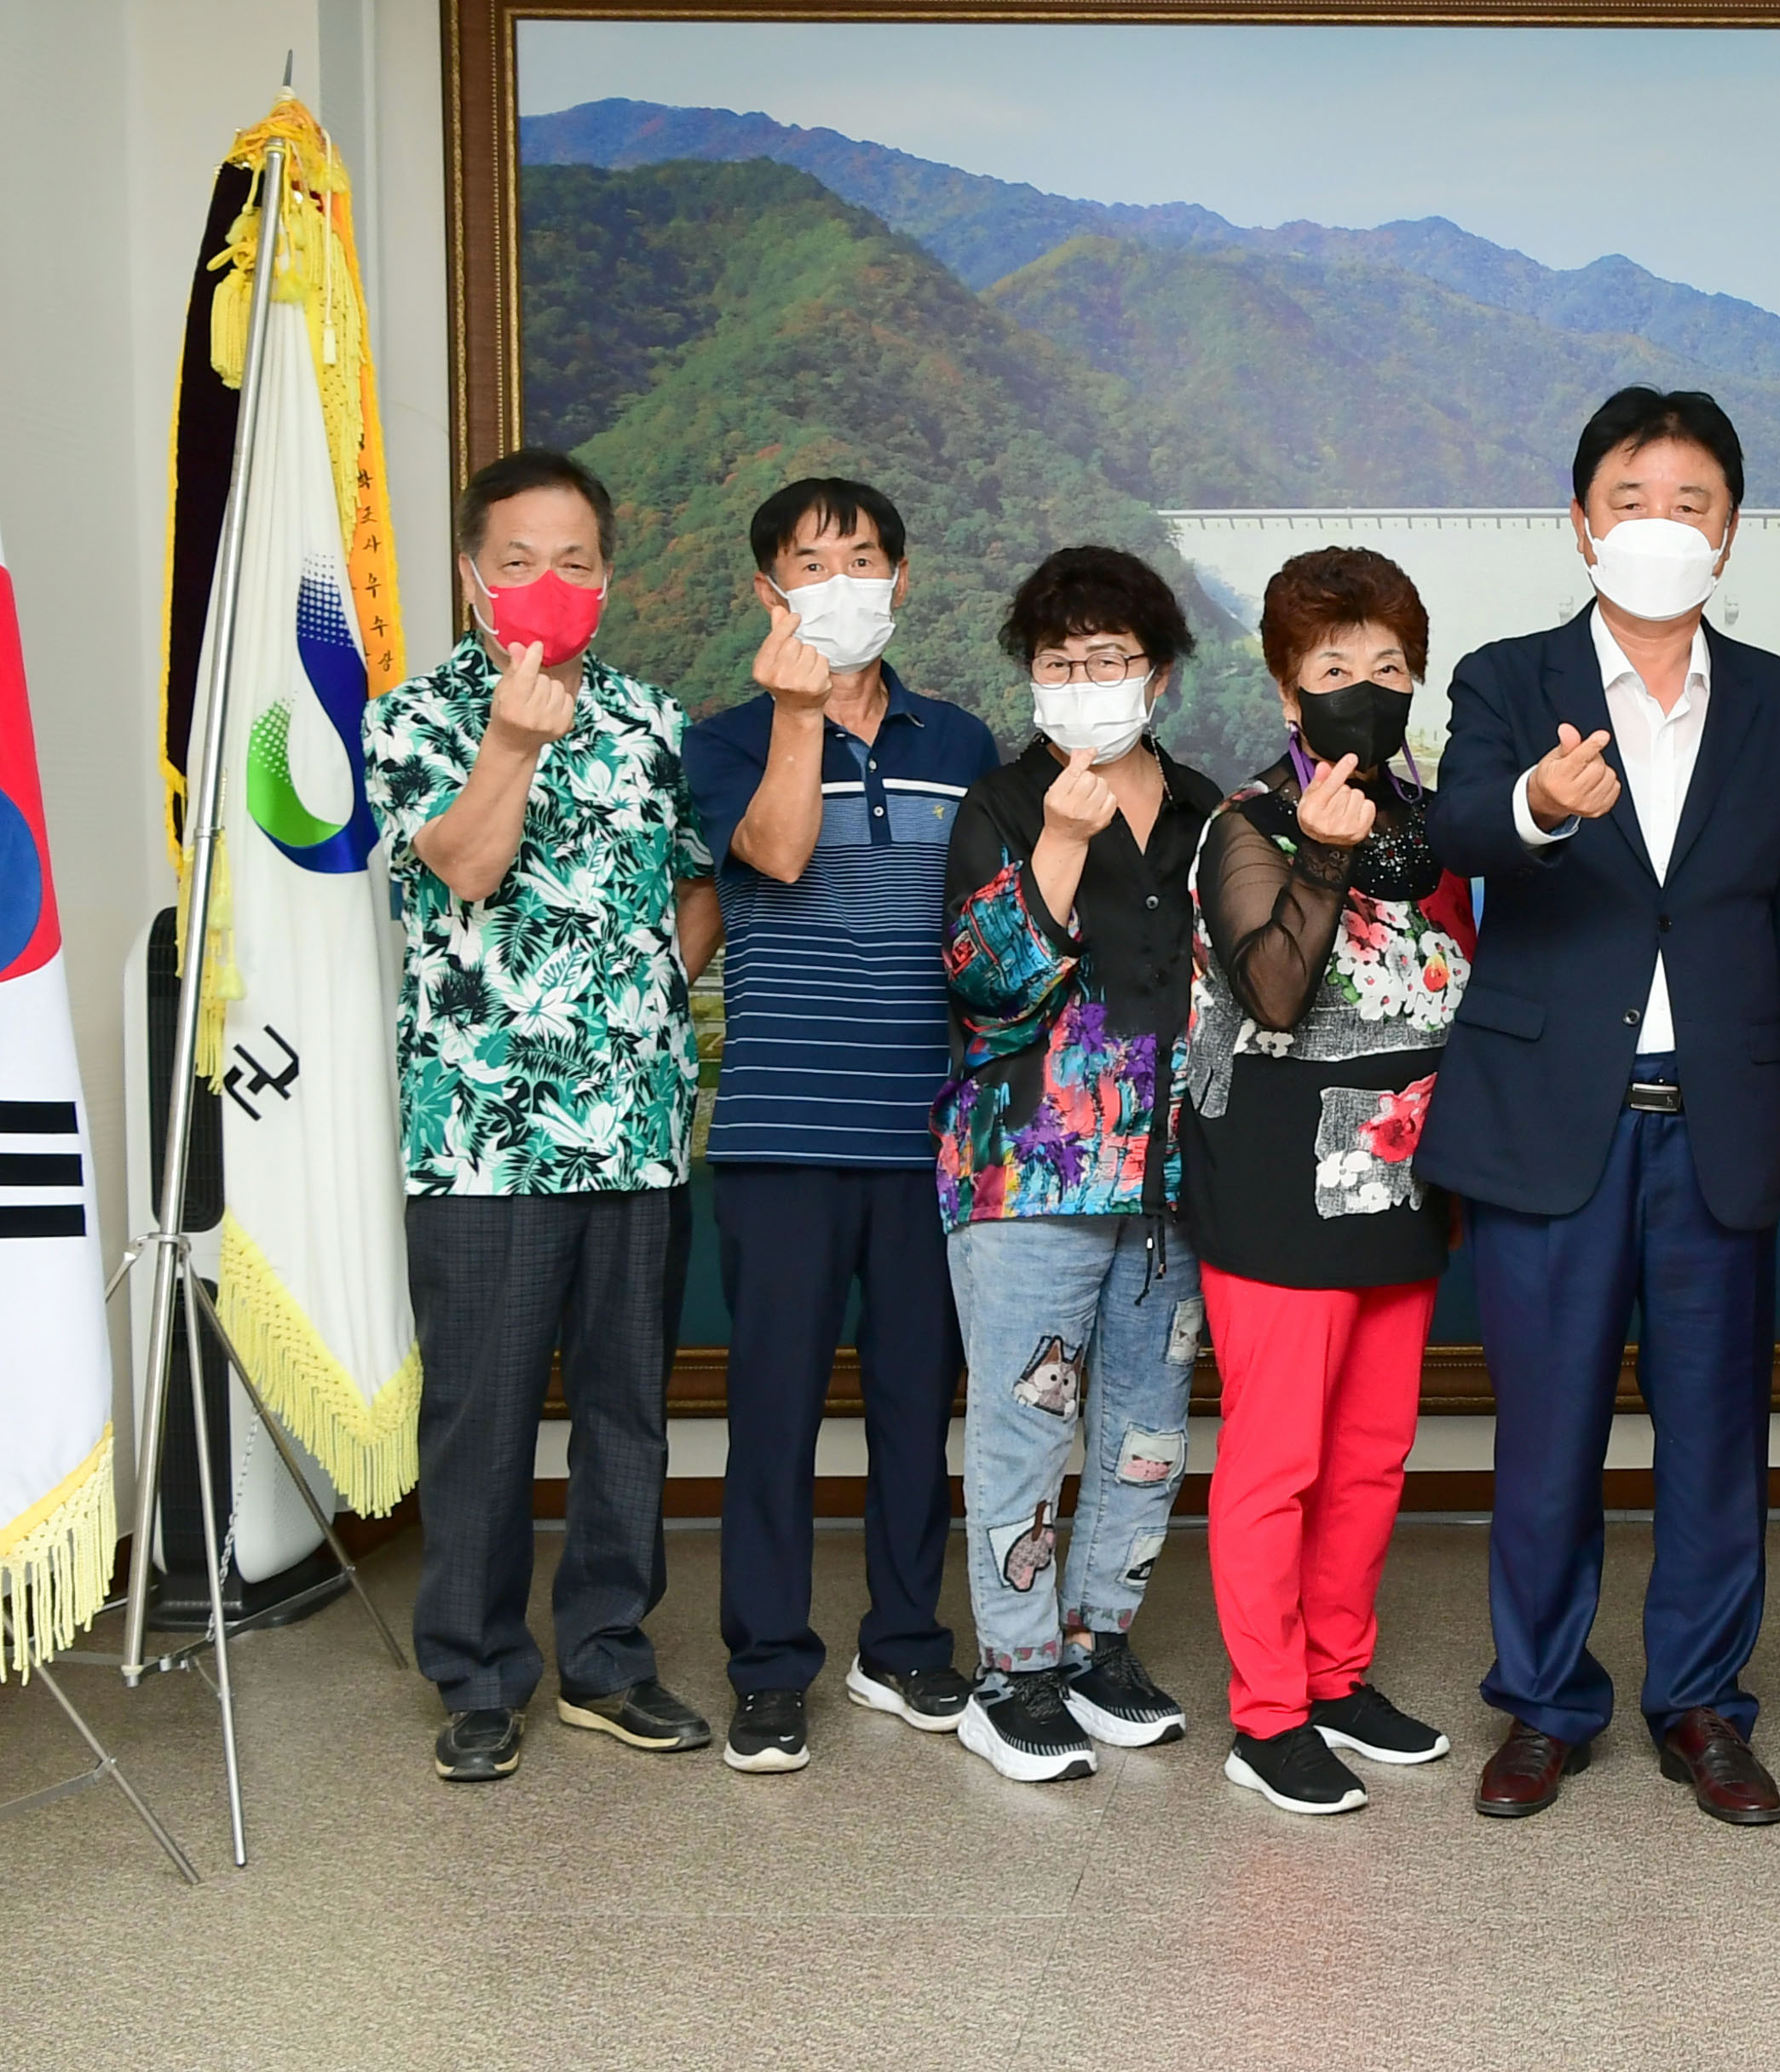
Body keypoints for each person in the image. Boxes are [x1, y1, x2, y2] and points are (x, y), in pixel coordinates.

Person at [1420, 388, 1780, 1827]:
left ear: (1729, 532)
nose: (1660, 524)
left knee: (1717, 1437)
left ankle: (1704, 1705)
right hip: (1554, 1119)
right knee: (1546, 1436)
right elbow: (1461, 825)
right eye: (1631, 498)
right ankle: (1544, 1704)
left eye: (1690, 502)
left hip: (1721, 1114)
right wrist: (1541, 805)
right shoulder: (1507, 676)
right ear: (1580, 521)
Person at [366, 447, 723, 1782]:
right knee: (483, 1416)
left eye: (574, 561)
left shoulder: (650, 719)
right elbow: (465, 865)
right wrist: (513, 743)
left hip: (634, 1123)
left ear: (607, 578)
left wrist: (642, 993)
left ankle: (609, 1663)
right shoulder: (413, 719)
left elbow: (698, 883)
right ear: (473, 577)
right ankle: (475, 1675)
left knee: (628, 1411)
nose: (547, 582)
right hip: (483, 1135)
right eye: (518, 561)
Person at [683, 479, 1000, 1775]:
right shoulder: (723, 739)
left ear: (901, 579)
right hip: (782, 1134)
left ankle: (907, 1643)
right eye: (811, 563)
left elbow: (987, 923)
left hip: (929, 1135)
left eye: (862, 558)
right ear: (769, 592)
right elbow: (776, 853)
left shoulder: (961, 739)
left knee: (917, 1407)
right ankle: (768, 1665)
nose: (842, 582)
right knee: (773, 1413)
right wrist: (799, 714)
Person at [1186, 547, 1475, 1815]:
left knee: (1369, 1456)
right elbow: (1272, 991)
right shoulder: (1244, 823)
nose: (1368, 685)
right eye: (1336, 664)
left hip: (1401, 1177)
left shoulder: (1435, 825)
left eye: (1392, 666)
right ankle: (1267, 1715)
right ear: (1287, 690)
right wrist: (1318, 852)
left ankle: (1337, 1675)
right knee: (1279, 1460)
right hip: (1278, 1186)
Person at [935, 545, 1225, 1785]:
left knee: (1148, 1427)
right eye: (1061, 663)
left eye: (1111, 659)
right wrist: (1060, 838)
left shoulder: (1211, 810)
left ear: (1157, 675)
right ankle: (1013, 1670)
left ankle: (1100, 1638)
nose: (1087, 682)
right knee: (1024, 1424)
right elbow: (991, 990)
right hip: (1029, 1176)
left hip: (1175, 1178)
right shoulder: (1002, 804)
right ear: (1032, 677)